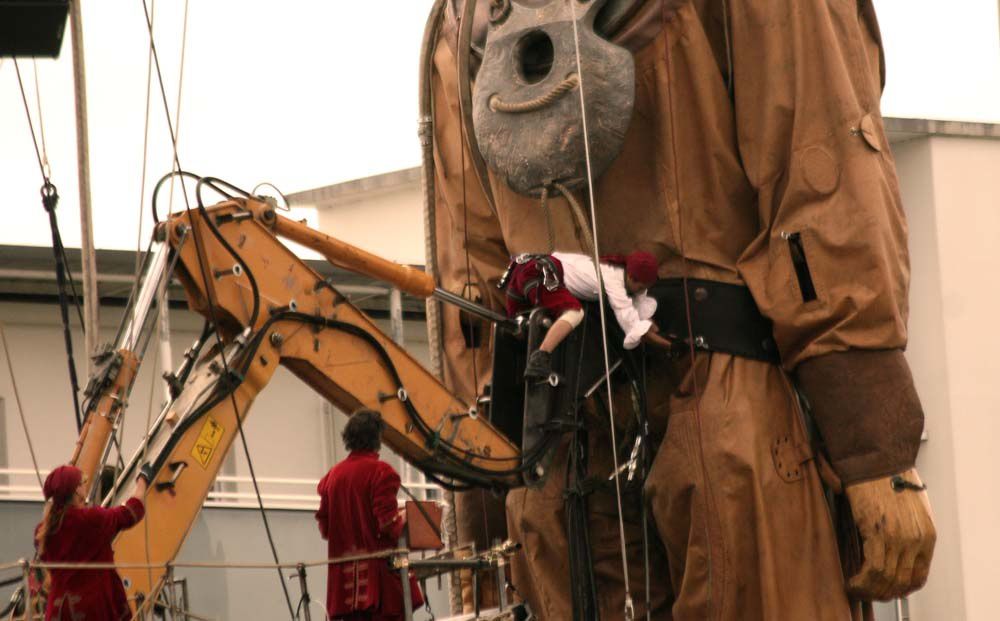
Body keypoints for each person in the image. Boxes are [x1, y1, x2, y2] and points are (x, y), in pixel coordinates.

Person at [427, 1, 936, 618]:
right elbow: (822, 175)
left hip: (559, 453)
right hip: (731, 432)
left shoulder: (461, 19)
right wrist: (875, 449)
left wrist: (484, 505)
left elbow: (476, 296)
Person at [315, 409, 423, 621]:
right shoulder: (382, 473)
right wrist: (406, 518)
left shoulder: (331, 477)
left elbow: (326, 530)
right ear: (377, 439)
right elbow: (388, 524)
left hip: (343, 591)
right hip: (378, 589)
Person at [502, 250, 674, 378]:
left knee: (514, 329)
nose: (642, 292)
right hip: (540, 273)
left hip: (524, 268)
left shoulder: (618, 270)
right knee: (575, 313)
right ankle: (540, 358)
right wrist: (670, 347)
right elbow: (632, 323)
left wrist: (666, 336)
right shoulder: (613, 282)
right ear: (631, 277)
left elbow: (638, 312)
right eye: (642, 287)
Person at [34, 464, 148, 621]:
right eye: (82, 483)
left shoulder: (41, 532)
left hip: (57, 610)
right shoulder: (91, 519)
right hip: (92, 609)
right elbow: (131, 512)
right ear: (76, 490)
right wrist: (143, 479)